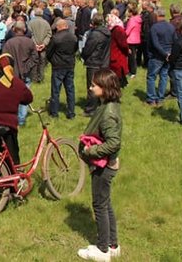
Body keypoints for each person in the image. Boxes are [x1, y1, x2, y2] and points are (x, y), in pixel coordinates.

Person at [77, 69, 122, 261]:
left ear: (104, 88)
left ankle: (103, 249)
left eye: (94, 85)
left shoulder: (108, 113)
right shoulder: (107, 105)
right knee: (105, 203)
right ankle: (113, 244)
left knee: (99, 205)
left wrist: (90, 152)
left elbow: (113, 143)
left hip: (104, 167)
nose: (90, 87)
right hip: (106, 166)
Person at [2, 21, 38, 126]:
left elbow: (4, 59)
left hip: (13, 74)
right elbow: (35, 57)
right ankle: (21, 120)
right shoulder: (29, 42)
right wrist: (27, 67)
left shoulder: (9, 43)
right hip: (25, 73)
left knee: (12, 96)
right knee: (24, 95)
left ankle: (14, 118)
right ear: (24, 30)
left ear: (14, 29)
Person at [46, 19, 77, 119]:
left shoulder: (55, 38)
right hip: (70, 65)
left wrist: (53, 61)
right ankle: (71, 112)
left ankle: (54, 113)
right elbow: (75, 49)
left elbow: (49, 52)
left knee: (55, 90)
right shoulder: (73, 37)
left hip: (58, 66)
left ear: (59, 27)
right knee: (70, 89)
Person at [82, 15, 111, 115]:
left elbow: (88, 49)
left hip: (94, 62)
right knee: (102, 85)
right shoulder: (107, 32)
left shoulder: (95, 34)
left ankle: (90, 109)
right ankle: (100, 104)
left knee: (93, 86)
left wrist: (83, 55)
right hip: (104, 62)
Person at [145, 9, 174, 107]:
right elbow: (175, 41)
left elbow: (155, 43)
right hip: (168, 55)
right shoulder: (171, 26)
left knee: (151, 77)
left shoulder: (154, 28)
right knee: (164, 76)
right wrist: (169, 54)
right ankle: (160, 98)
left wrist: (164, 54)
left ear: (157, 15)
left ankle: (151, 99)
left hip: (157, 56)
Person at [28, 8, 52, 83]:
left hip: (33, 46)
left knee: (34, 62)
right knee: (42, 62)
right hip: (43, 46)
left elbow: (29, 34)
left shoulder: (30, 23)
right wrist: (44, 44)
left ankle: (34, 78)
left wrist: (34, 44)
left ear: (34, 14)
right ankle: (41, 78)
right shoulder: (46, 23)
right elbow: (49, 34)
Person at [107, 13, 129, 88]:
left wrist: (126, 49)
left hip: (116, 53)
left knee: (118, 70)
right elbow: (123, 43)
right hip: (116, 53)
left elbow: (123, 44)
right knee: (117, 71)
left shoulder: (116, 30)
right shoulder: (115, 29)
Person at [123, 5, 141, 78]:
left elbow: (128, 31)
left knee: (131, 57)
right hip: (136, 39)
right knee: (132, 56)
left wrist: (123, 32)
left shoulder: (132, 20)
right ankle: (131, 71)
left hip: (131, 40)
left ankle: (132, 72)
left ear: (131, 12)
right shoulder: (138, 19)